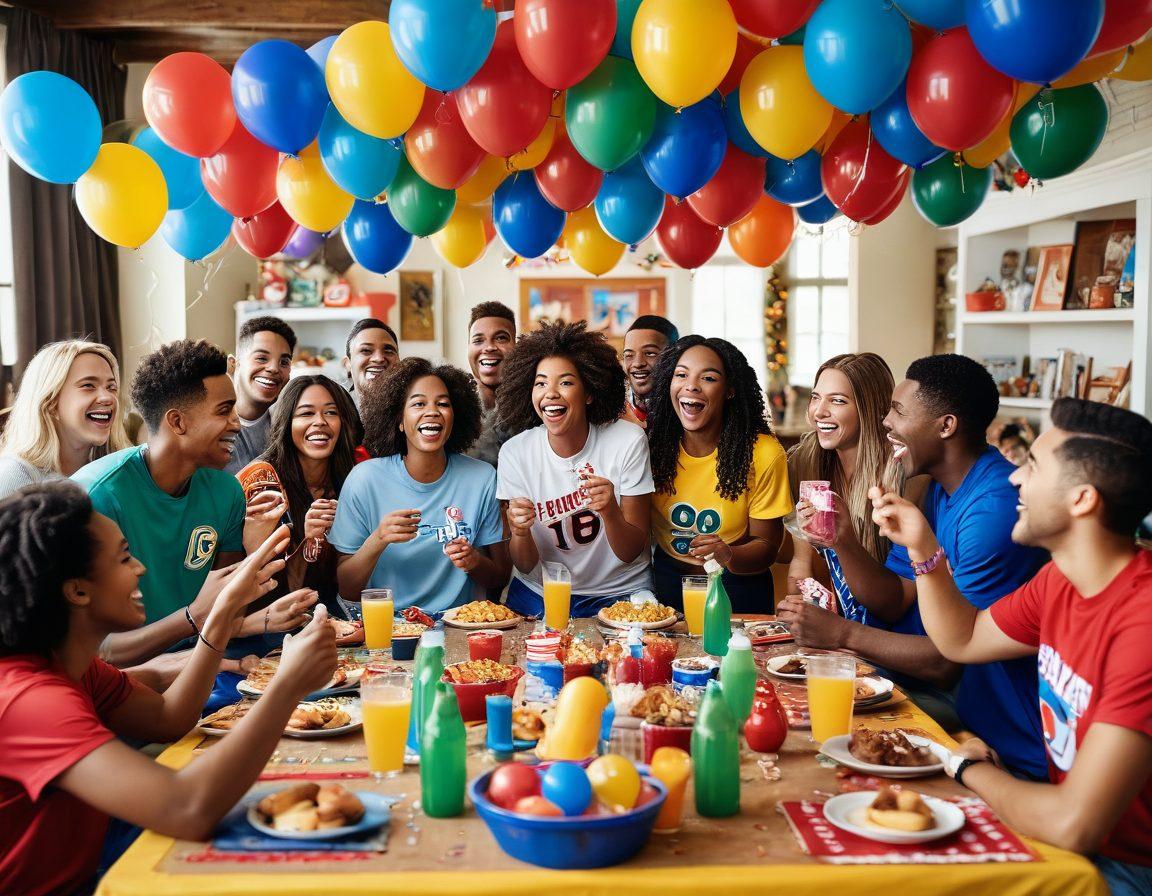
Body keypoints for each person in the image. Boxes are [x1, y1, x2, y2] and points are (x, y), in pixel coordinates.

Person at [870, 398, 1152, 895]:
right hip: (1068, 832)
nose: (1015, 479)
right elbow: (963, 638)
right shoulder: (1059, 581)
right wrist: (923, 550)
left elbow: (1073, 823)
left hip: (1123, 867)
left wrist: (964, 765)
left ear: (1082, 499)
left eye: (1034, 466)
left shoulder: (1142, 622)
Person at [0, 483, 338, 896]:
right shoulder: (31, 700)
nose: (140, 567)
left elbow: (168, 719)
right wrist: (287, 685)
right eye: (124, 557)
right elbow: (188, 809)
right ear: (78, 591)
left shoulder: (75, 669)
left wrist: (221, 615)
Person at [782, 354, 1048, 778]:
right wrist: (844, 541)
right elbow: (895, 600)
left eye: (898, 411)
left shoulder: (992, 509)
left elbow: (950, 660)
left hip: (998, 737)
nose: (884, 422)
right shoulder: (939, 491)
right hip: (922, 691)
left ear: (945, 426)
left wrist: (843, 633)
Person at [72, 340, 315, 668]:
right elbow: (95, 650)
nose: (237, 423)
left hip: (203, 662)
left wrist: (252, 556)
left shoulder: (226, 492)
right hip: (121, 680)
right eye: (223, 410)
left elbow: (223, 615)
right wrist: (191, 619)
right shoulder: (96, 497)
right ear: (177, 422)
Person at [779, 353, 962, 727]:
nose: (819, 411)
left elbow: (891, 604)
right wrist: (802, 600)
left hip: (896, 651)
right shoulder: (804, 461)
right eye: (816, 397)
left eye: (838, 401)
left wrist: (842, 542)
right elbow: (802, 563)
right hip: (845, 649)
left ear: (872, 410)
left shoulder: (906, 477)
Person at [497, 321, 653, 617]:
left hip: (619, 591)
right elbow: (525, 564)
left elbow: (630, 551)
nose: (551, 393)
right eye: (540, 383)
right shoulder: (515, 453)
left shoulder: (627, 441)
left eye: (565, 382)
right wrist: (519, 532)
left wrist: (609, 511)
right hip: (540, 591)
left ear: (590, 393)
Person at [331, 358, 509, 612]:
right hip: (388, 628)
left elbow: (500, 577)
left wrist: (474, 561)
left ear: (454, 417)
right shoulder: (364, 479)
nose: (432, 411)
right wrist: (379, 539)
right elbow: (347, 589)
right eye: (418, 403)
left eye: (443, 404)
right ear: (400, 421)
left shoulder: (481, 478)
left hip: (459, 627)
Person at [646, 336, 790, 613]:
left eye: (708, 378)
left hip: (738, 587)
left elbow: (767, 546)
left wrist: (728, 554)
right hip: (668, 584)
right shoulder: (651, 446)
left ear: (730, 390)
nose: (691, 385)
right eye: (681, 375)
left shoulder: (763, 453)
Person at [237, 374, 362, 622]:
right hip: (265, 622)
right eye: (306, 414)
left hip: (331, 615)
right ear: (286, 423)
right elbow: (266, 588)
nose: (320, 422)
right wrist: (309, 540)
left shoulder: (349, 478)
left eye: (330, 413)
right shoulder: (262, 479)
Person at [0, 340, 131, 499]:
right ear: (50, 402)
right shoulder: (14, 477)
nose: (107, 397)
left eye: (111, 387)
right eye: (88, 385)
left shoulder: (120, 470)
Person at [224, 316, 297, 475]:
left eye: (284, 362)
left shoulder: (289, 428)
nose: (273, 368)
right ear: (234, 364)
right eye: (262, 358)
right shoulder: (210, 426)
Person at [465, 301, 516, 467]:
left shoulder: (538, 406)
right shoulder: (452, 408)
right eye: (478, 340)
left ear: (516, 346)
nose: (489, 347)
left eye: (501, 338)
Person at [621, 314, 679, 428]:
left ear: (673, 357)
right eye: (629, 355)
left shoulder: (687, 413)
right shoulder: (614, 414)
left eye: (650, 353)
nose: (638, 363)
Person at [343, 318, 399, 407]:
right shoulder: (335, 414)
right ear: (348, 364)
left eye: (388, 351)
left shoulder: (415, 411)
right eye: (366, 350)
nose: (379, 358)